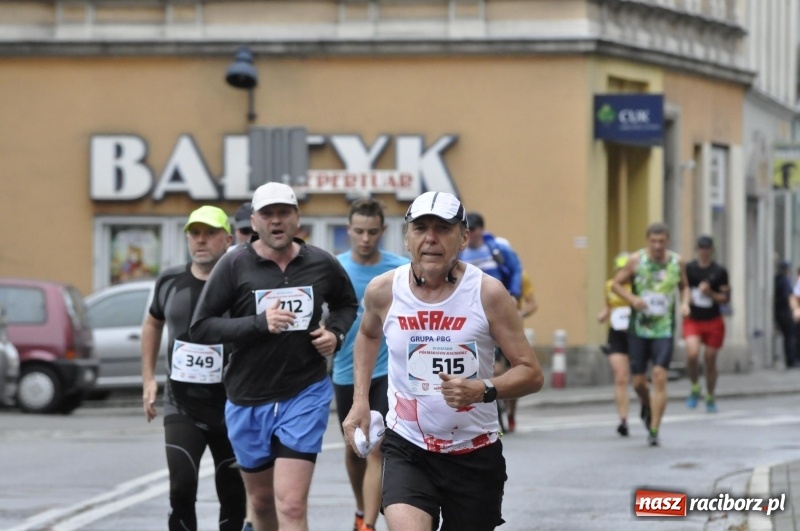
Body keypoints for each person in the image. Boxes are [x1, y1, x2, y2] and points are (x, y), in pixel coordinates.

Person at [343, 191, 544, 531]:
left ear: (464, 237)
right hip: (408, 446)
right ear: (407, 237)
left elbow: (531, 373)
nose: (431, 239)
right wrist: (360, 401)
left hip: (473, 452)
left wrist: (482, 389)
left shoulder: (488, 294)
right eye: (421, 228)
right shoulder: (384, 290)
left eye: (443, 228)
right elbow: (368, 335)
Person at [190, 182, 358, 531]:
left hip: (305, 392)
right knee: (263, 503)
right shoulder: (233, 265)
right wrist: (258, 323)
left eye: (284, 213)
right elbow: (201, 327)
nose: (276, 221)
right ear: (254, 222)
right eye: (268, 214)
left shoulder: (321, 262)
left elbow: (346, 303)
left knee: (292, 505)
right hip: (248, 396)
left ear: (297, 219)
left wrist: (336, 335)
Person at [141, 205, 246, 531]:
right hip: (181, 403)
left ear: (227, 239)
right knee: (181, 489)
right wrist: (148, 379)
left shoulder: (241, 284)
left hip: (232, 406)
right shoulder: (170, 280)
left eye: (210, 233)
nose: (201, 241)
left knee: (233, 496)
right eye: (194, 233)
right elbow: (152, 323)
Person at [333, 198, 409, 531]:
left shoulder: (399, 269)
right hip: (346, 371)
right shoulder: (334, 268)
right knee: (354, 450)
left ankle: (366, 523)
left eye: (372, 232)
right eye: (359, 231)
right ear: (349, 230)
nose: (365, 238)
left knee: (375, 446)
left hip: (386, 372)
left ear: (383, 231)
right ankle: (361, 507)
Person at [612, 223, 689, 447]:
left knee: (659, 376)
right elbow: (616, 284)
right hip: (639, 329)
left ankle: (654, 429)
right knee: (638, 382)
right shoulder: (636, 261)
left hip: (664, 329)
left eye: (661, 242)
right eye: (653, 241)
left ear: (668, 241)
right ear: (647, 241)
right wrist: (633, 299)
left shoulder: (677, 262)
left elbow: (684, 286)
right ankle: (646, 404)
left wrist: (685, 303)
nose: (657, 246)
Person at [460, 212, 525, 432]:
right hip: (472, 315)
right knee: (493, 369)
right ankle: (494, 411)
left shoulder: (496, 248)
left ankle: (511, 410)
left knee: (510, 367)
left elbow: (515, 270)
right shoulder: (460, 252)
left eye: (476, 230)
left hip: (500, 313)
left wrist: (514, 294)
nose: (473, 234)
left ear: (480, 230)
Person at [683, 235, 731, 413]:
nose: (704, 252)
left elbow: (725, 299)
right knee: (692, 354)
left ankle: (710, 394)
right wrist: (684, 303)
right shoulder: (689, 269)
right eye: (701, 249)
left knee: (710, 359)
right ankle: (695, 386)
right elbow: (684, 289)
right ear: (697, 250)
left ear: (711, 250)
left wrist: (710, 292)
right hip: (694, 319)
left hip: (713, 320)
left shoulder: (719, 271)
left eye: (707, 249)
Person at [596, 252, 632, 437]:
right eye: (619, 269)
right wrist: (603, 315)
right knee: (620, 378)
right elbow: (608, 306)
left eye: (625, 270)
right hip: (617, 334)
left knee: (640, 380)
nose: (621, 273)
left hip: (636, 334)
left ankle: (647, 407)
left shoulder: (637, 286)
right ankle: (623, 420)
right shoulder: (610, 286)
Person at [775, 260, 799, 368]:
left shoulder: (778, 279)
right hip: (785, 312)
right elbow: (788, 297)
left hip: (780, 312)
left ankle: (791, 359)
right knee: (790, 336)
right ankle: (791, 360)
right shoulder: (784, 281)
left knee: (789, 336)